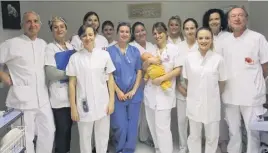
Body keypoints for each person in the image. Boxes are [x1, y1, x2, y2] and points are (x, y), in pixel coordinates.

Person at [0, 11, 55, 153]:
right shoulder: (11, 44)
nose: (32, 24)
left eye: (35, 21)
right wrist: (3, 75)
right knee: (24, 139)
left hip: (42, 100)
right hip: (21, 102)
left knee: (48, 132)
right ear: (22, 25)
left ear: (40, 25)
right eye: (28, 21)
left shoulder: (43, 44)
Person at [220, 6, 268, 153]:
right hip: (230, 94)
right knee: (233, 131)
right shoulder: (224, 40)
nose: (237, 18)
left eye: (240, 15)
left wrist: (258, 86)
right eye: (233, 16)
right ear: (228, 21)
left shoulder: (257, 38)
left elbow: (266, 66)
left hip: (252, 96)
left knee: (252, 130)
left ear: (246, 19)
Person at [66, 25, 115, 153]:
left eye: (90, 34)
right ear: (80, 38)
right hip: (84, 105)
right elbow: (72, 84)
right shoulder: (75, 58)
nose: (88, 38)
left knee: (102, 138)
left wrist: (111, 102)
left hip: (102, 103)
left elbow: (110, 79)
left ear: (95, 35)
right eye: (84, 35)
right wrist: (73, 108)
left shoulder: (104, 55)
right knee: (85, 139)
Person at [183, 27, 227, 153]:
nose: (204, 40)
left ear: (212, 40)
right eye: (201, 38)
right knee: (194, 136)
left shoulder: (218, 59)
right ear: (196, 39)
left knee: (212, 136)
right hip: (194, 102)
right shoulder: (189, 58)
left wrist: (213, 95)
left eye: (207, 38)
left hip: (212, 103)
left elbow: (222, 82)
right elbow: (187, 80)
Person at [143, 22, 181, 153]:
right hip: (150, 94)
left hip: (165, 94)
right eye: (154, 33)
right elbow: (143, 68)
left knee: (163, 127)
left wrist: (162, 79)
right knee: (152, 126)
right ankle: (158, 149)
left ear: (166, 33)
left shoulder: (174, 49)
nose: (157, 35)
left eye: (160, 32)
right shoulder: (152, 49)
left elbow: (178, 70)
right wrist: (148, 61)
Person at [107, 22, 143, 153]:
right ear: (117, 33)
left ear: (130, 34)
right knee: (120, 125)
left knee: (132, 124)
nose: (124, 34)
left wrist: (134, 90)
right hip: (117, 94)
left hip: (134, 93)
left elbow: (139, 71)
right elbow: (108, 74)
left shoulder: (135, 51)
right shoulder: (109, 51)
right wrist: (118, 91)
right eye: (121, 31)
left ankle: (129, 150)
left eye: (127, 31)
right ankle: (119, 149)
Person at [202, 8, 230, 152]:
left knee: (223, 113)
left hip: (224, 81)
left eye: (217, 19)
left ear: (221, 21)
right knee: (209, 114)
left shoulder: (228, 37)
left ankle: (223, 140)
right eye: (211, 19)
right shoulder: (204, 36)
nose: (214, 21)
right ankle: (211, 141)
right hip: (207, 81)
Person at [45, 16, 74, 153]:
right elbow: (51, 73)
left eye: (62, 26)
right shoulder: (50, 48)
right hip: (59, 98)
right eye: (55, 27)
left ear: (66, 29)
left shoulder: (71, 46)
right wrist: (71, 74)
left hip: (72, 96)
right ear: (52, 30)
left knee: (69, 131)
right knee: (62, 131)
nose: (59, 29)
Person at [129, 21, 155, 147]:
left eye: (142, 30)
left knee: (147, 111)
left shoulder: (151, 45)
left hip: (151, 83)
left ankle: (144, 136)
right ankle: (131, 139)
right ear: (134, 34)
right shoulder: (131, 46)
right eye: (137, 31)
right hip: (136, 83)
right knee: (135, 112)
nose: (140, 33)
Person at [176, 18, 199, 153]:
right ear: (183, 31)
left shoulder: (201, 44)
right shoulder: (179, 47)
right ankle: (183, 147)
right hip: (182, 89)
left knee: (195, 122)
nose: (190, 31)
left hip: (197, 91)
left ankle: (194, 148)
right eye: (187, 28)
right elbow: (175, 68)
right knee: (182, 121)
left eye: (192, 28)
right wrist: (179, 86)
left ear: (196, 29)